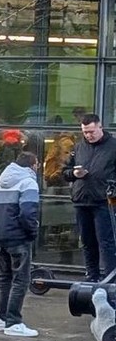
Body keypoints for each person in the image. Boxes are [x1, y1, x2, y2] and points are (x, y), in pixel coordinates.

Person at [0, 152, 41, 338]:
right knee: (21, 280)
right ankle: (13, 321)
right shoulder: (28, 182)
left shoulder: (0, 184)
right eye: (37, 165)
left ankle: (1, 318)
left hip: (1, 237)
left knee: (4, 279)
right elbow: (28, 212)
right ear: (32, 166)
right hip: (19, 238)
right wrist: (33, 232)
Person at [61, 114, 116, 281]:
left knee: (106, 242)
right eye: (85, 132)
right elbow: (65, 172)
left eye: (91, 131)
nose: (88, 135)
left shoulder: (113, 147)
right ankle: (91, 275)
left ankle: (110, 278)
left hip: (103, 201)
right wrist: (75, 173)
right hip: (82, 200)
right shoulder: (79, 147)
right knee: (87, 241)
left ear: (100, 127)